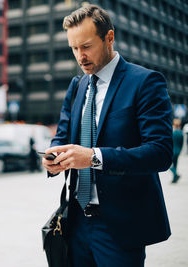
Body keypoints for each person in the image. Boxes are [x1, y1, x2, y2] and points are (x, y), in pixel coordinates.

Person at [42, 4, 172, 267]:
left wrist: (94, 157)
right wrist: (53, 157)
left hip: (120, 226)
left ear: (109, 38)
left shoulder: (145, 82)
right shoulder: (77, 85)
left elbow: (160, 153)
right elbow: (63, 134)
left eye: (86, 46)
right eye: (74, 48)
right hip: (76, 222)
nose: (80, 56)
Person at [170, 118, 183, 183]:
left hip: (172, 151)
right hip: (178, 151)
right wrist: (180, 150)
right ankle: (174, 179)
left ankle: (176, 174)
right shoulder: (181, 133)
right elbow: (182, 143)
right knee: (175, 165)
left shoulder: (172, 133)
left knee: (170, 166)